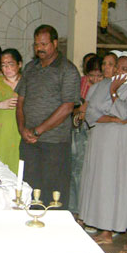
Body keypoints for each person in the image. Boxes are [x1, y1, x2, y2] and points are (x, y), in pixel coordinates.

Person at [79, 53, 127, 251]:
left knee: (123, 186)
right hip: (101, 143)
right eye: (118, 67)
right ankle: (104, 228)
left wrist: (114, 94)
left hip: (123, 145)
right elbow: (90, 114)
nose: (119, 71)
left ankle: (126, 235)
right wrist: (114, 119)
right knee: (103, 186)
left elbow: (125, 111)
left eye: (125, 69)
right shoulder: (102, 85)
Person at [15, 25, 80, 207]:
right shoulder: (30, 68)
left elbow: (67, 107)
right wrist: (22, 129)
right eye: (36, 45)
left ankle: (54, 231)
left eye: (44, 44)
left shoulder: (67, 70)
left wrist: (38, 131)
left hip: (54, 142)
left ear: (55, 43)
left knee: (53, 191)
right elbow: (20, 102)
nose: (39, 48)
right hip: (29, 141)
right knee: (30, 188)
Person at [69, 56, 103, 215]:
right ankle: (76, 208)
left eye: (99, 76)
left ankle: (89, 211)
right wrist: (81, 109)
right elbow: (74, 107)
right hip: (78, 130)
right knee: (76, 169)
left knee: (92, 171)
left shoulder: (106, 87)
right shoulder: (80, 83)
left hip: (96, 131)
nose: (95, 79)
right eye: (92, 76)